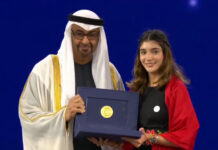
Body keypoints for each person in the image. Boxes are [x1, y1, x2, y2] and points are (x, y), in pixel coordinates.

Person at [18, 9, 124, 150]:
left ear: (99, 38)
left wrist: (117, 140)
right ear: (70, 34)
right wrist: (64, 115)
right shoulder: (45, 70)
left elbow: (121, 118)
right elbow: (28, 115)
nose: (86, 41)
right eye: (79, 34)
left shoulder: (110, 72)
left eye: (92, 35)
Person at [122, 30, 199, 150]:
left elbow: (186, 134)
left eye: (155, 51)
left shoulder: (176, 88)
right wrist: (113, 140)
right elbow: (127, 132)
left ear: (165, 54)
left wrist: (150, 137)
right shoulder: (135, 90)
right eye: (143, 52)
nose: (148, 57)